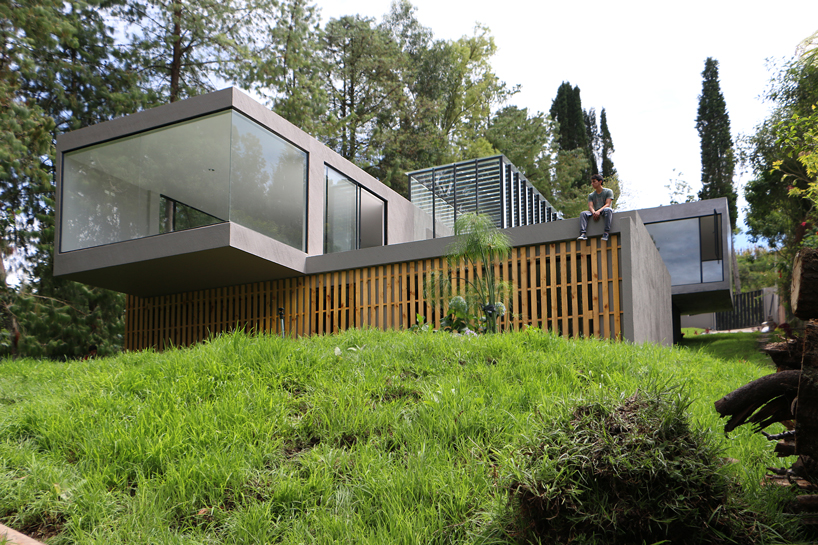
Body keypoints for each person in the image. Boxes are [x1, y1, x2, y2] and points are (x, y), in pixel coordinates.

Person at [577, 174, 614, 242]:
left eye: (594, 181)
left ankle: (606, 233)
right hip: (595, 211)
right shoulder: (591, 195)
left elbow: (608, 204)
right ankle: (583, 233)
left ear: (600, 182)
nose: (592, 183)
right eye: (592, 182)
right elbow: (590, 206)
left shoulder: (608, 191)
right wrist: (594, 212)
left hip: (604, 210)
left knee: (608, 210)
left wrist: (598, 211)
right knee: (583, 213)